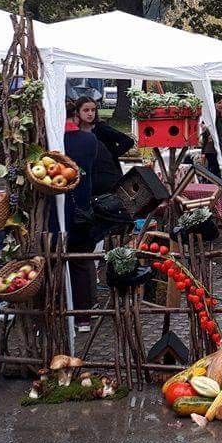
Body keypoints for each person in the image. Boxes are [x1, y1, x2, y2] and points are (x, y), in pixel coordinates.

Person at [62, 100, 103, 330]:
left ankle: (57, 313)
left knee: (55, 262)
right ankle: (84, 317)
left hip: (57, 211)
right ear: (76, 115)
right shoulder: (89, 140)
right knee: (80, 261)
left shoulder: (54, 141)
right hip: (82, 207)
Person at [73, 96, 135, 191]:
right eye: (86, 110)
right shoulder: (75, 131)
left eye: (93, 110)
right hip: (88, 175)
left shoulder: (101, 127)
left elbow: (128, 141)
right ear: (78, 112)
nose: (90, 113)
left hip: (108, 174)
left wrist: (111, 155)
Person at [201, 93, 222, 178]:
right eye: (219, 103)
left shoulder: (218, 115)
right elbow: (206, 133)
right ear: (213, 103)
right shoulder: (212, 116)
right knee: (215, 174)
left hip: (218, 148)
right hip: (212, 149)